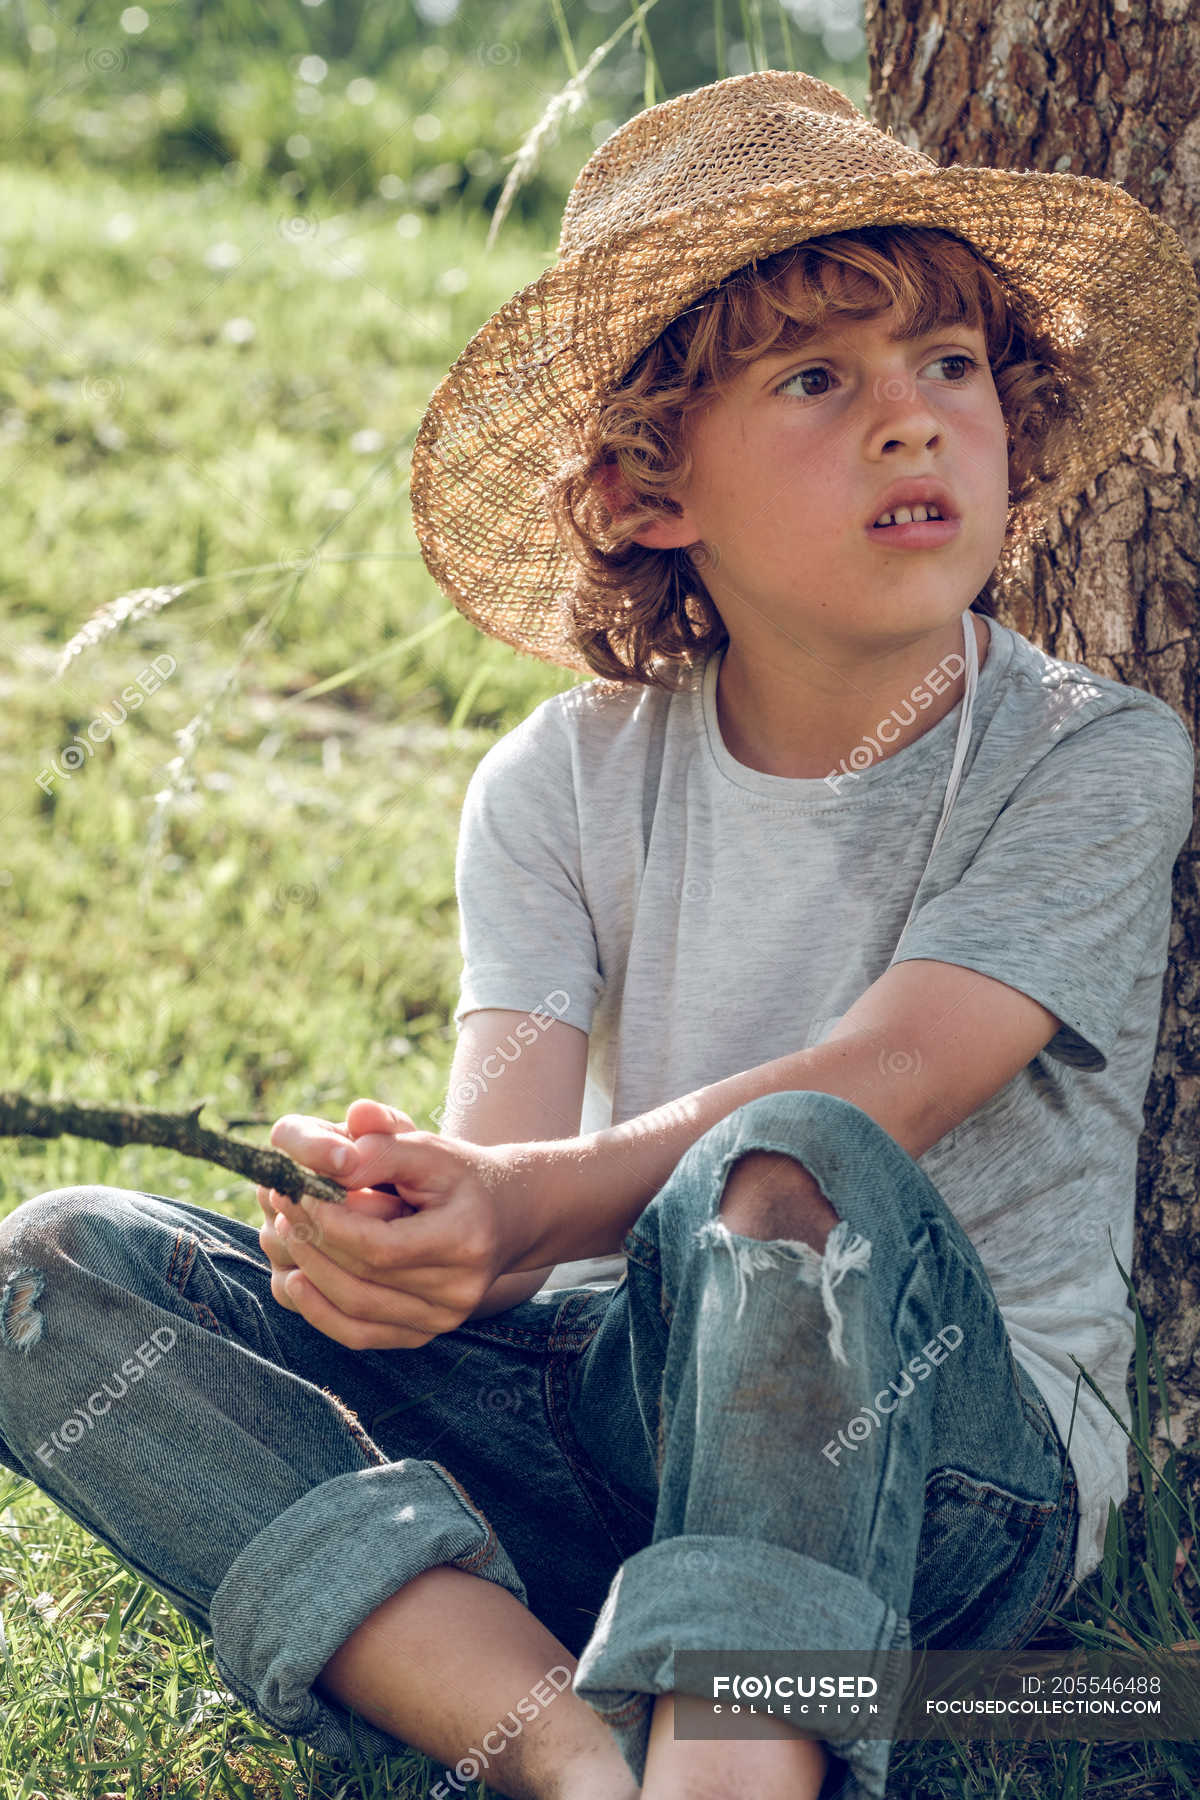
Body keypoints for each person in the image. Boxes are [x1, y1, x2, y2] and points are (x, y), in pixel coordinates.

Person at [1, 68, 1196, 1800]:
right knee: (52, 1264)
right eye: (815, 380)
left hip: (929, 1472)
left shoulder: (1095, 757)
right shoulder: (560, 778)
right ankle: (573, 1754)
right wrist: (415, 1228)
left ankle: (731, 1753)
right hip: (608, 1419)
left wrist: (519, 1213)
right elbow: (514, 1166)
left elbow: (891, 1085)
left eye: (951, 366)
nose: (914, 420)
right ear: (650, 493)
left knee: (798, 1163)